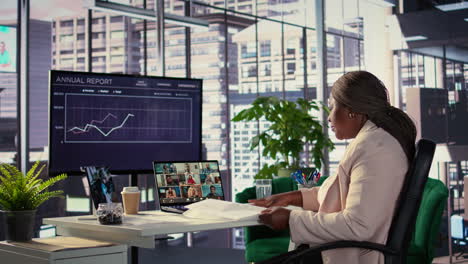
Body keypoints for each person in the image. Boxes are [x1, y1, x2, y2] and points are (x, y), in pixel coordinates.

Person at [250, 71, 416, 264]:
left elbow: (358, 226)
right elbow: (338, 194)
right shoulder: (374, 141)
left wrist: (290, 219)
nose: (329, 118)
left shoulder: (373, 148)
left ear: (351, 110)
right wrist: (290, 198)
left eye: (332, 107)